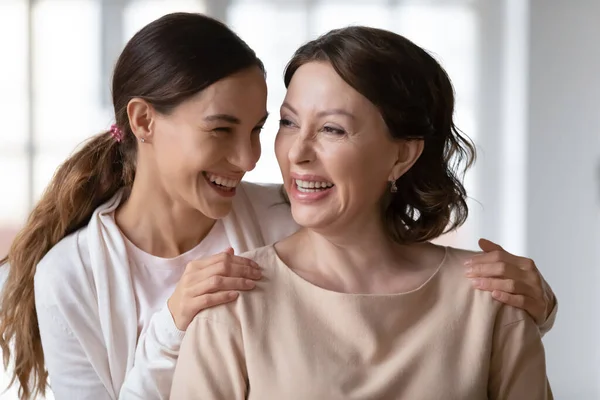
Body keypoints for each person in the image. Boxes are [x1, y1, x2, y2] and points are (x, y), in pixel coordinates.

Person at [0, 13, 554, 400]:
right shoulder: (72, 277)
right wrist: (170, 328)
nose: (251, 157)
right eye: (222, 129)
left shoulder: (286, 211)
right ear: (143, 121)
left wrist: (525, 308)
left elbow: (379, 258)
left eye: (263, 127)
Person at [170, 26, 553, 399]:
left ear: (401, 155)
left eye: (333, 130)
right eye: (288, 122)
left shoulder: (492, 302)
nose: (297, 152)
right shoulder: (232, 303)